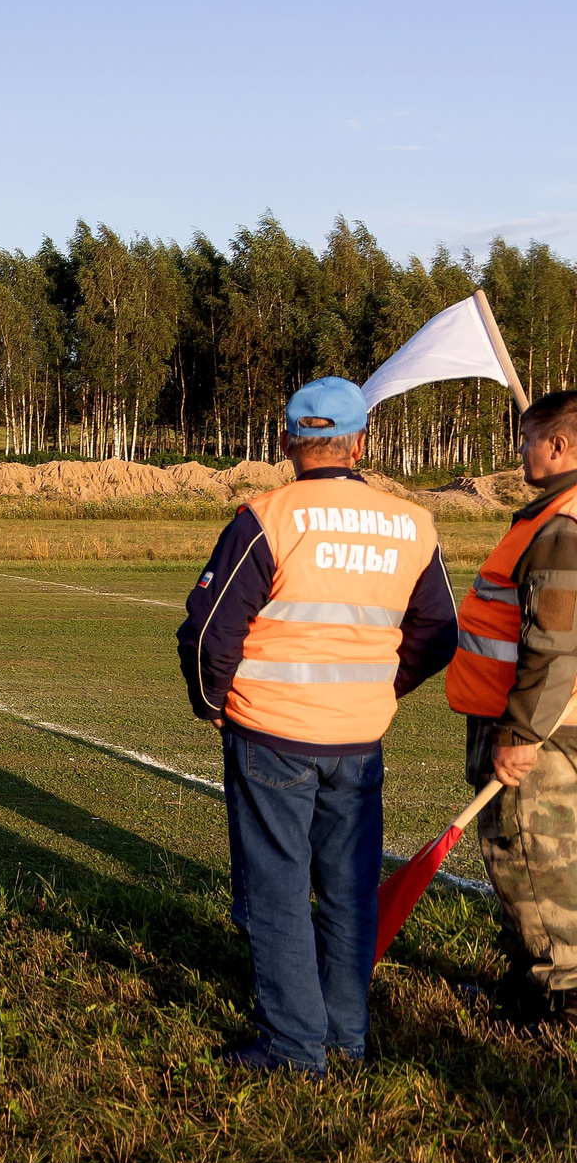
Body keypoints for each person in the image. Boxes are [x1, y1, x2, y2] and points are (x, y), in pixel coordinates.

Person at [177, 376, 456, 1076]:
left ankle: (293, 1045)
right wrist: (383, 686)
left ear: (286, 443)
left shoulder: (267, 517)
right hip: (358, 738)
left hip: (271, 732)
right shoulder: (412, 523)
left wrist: (213, 702)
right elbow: (438, 632)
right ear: (361, 445)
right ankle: (345, 1036)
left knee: (276, 889)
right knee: (349, 890)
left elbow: (209, 630)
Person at [448, 389, 577, 1022]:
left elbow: (553, 643)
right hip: (553, 719)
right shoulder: (555, 515)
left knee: (528, 855)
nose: (520, 450)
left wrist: (520, 733)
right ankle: (534, 977)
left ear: (559, 444)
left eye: (528, 439)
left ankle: (557, 998)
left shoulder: (561, 527)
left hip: (540, 727)